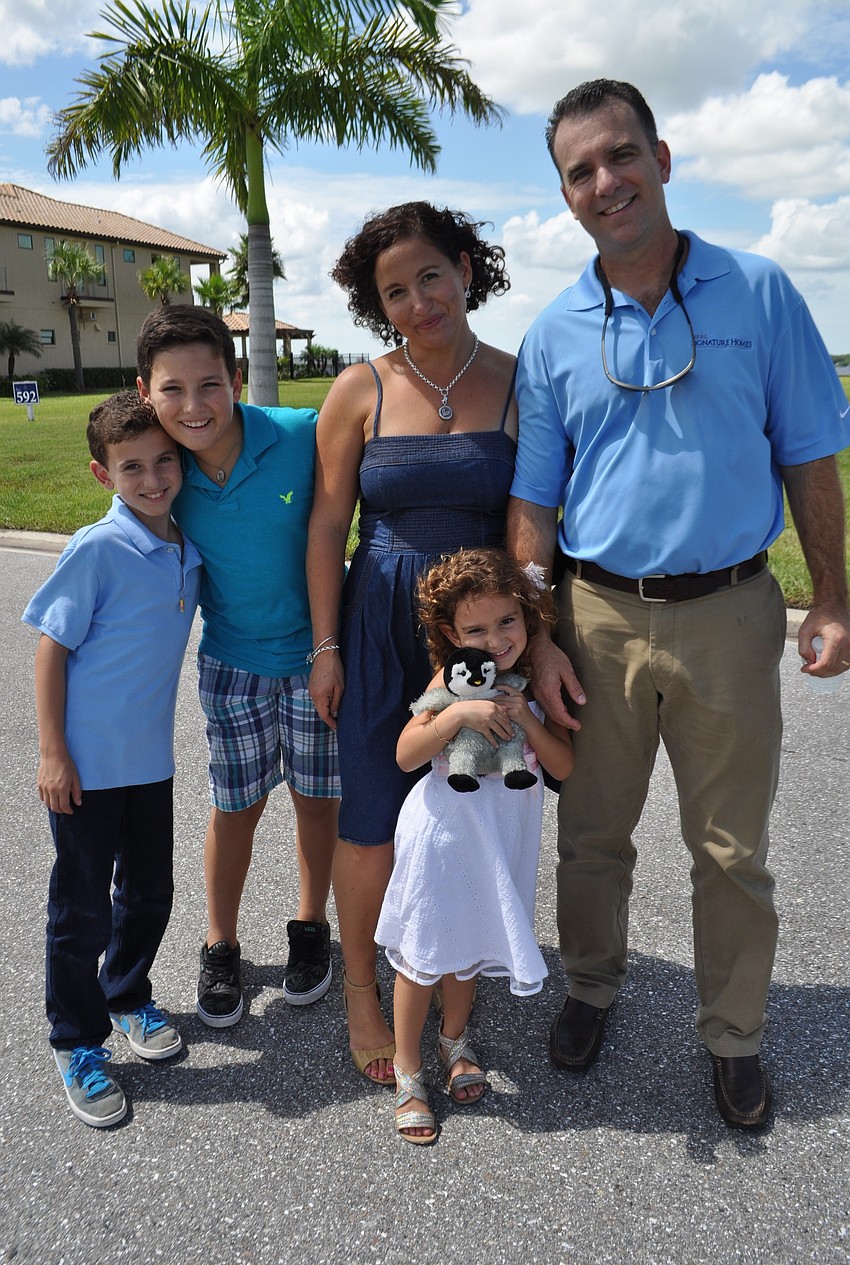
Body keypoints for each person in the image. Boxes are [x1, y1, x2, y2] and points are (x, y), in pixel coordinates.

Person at [507, 78, 850, 1129]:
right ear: (565, 196)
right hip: (594, 615)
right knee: (592, 832)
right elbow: (531, 497)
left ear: (662, 157)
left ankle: (734, 1035)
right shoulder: (556, 329)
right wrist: (534, 637)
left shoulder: (758, 292)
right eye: (579, 171)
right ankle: (590, 987)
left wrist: (832, 591)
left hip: (731, 609)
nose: (604, 182)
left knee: (730, 849)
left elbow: (808, 455)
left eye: (619, 156)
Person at [307, 202, 517, 1086]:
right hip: (378, 619)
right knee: (370, 821)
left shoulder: (517, 380)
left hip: (477, 634)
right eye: (394, 291)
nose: (418, 300)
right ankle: (363, 986)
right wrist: (325, 645)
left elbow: (529, 517)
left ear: (466, 268)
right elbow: (326, 524)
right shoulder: (361, 387)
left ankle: (454, 991)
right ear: (376, 305)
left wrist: (529, 638)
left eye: (430, 275)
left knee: (465, 810)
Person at [136, 306, 340, 1028]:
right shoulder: (161, 469)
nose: (193, 407)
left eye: (209, 384)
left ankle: (311, 924)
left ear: (235, 377)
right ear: (146, 393)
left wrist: (329, 650)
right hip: (231, 665)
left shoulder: (299, 434)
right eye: (172, 390)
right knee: (235, 807)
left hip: (318, 658)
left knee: (318, 800)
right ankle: (219, 939)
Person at [23, 390, 203, 1127]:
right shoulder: (97, 547)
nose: (154, 479)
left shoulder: (186, 546)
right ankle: (76, 1040)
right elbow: (50, 650)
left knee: (149, 893)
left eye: (165, 461)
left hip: (149, 765)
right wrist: (52, 753)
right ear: (105, 475)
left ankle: (126, 994)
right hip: (86, 770)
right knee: (82, 909)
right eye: (133, 467)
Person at [375, 547, 574, 1144]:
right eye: (476, 629)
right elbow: (406, 754)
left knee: (469, 946)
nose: (494, 640)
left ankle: (454, 1043)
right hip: (442, 836)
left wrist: (528, 718)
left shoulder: (533, 683)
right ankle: (409, 1071)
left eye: (507, 621)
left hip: (499, 842)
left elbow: (562, 764)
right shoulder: (451, 681)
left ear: (529, 617)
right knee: (423, 956)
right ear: (450, 634)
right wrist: (458, 716)